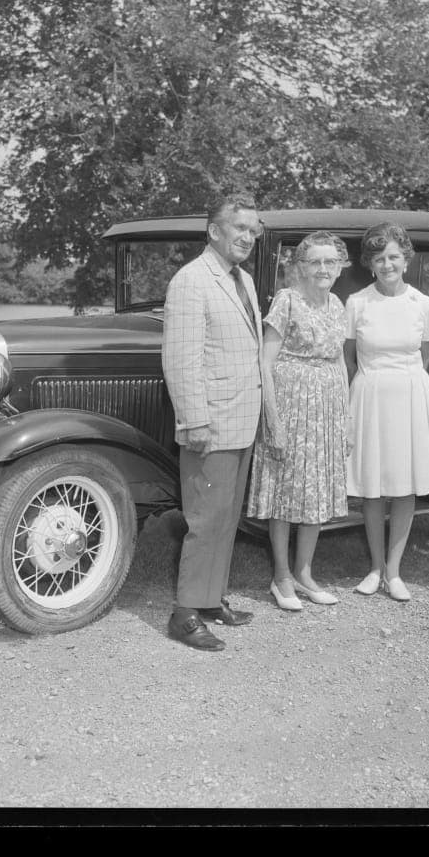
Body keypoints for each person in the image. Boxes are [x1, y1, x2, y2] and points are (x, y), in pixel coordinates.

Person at [161, 192, 265, 650]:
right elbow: (181, 360)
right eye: (239, 228)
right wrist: (194, 421)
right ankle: (184, 613)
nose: (248, 237)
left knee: (226, 517)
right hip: (212, 422)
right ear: (214, 231)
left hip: (243, 417)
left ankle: (210, 599)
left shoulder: (242, 279)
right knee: (205, 518)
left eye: (253, 230)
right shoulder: (191, 280)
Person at [246, 232, 351, 612]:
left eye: (330, 262)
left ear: (340, 267)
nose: (323, 269)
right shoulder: (287, 301)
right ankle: (281, 576)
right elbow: (266, 362)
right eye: (315, 262)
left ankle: (305, 573)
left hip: (325, 410)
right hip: (291, 405)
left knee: (316, 492)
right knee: (285, 494)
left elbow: (339, 361)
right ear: (301, 267)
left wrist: (346, 418)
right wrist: (272, 418)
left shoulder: (338, 305)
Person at [344, 222, 429, 602]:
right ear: (370, 263)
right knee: (372, 487)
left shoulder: (422, 304)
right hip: (369, 396)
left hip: (410, 396)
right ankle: (375, 568)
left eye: (394, 257)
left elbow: (426, 358)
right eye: (379, 257)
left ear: (406, 259)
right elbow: (349, 359)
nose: (387, 264)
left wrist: (404, 381)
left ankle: (396, 572)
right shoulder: (357, 303)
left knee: (403, 486)